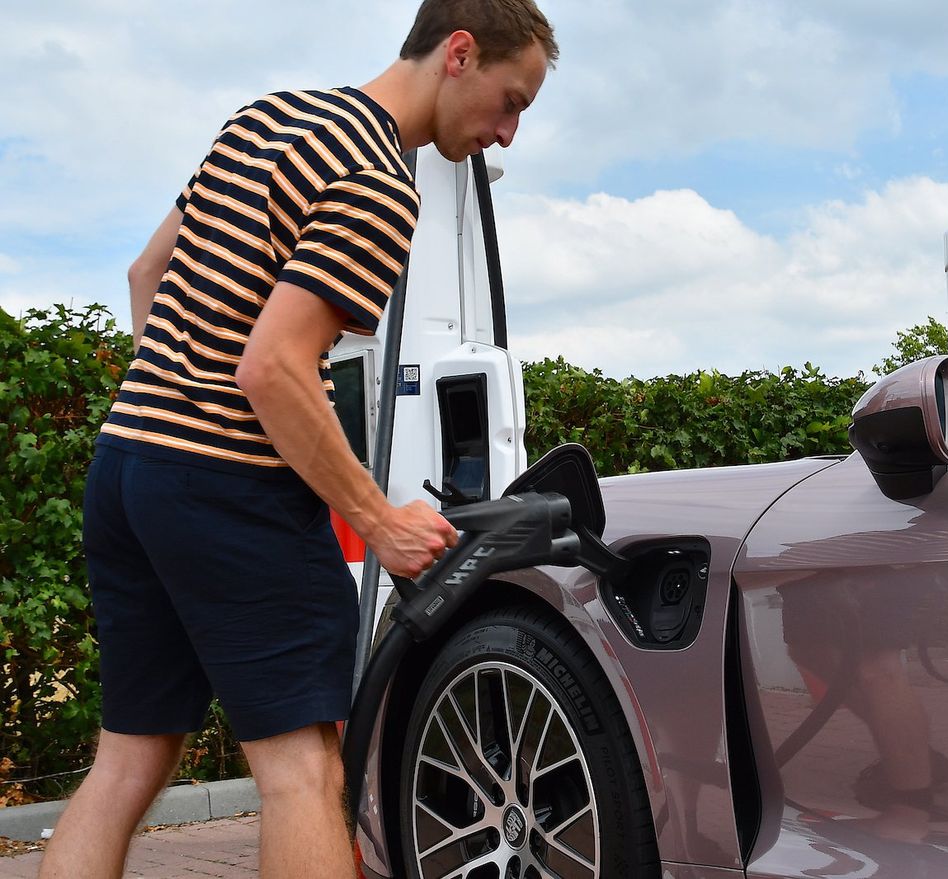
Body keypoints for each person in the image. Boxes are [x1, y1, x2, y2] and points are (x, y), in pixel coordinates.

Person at [38, 2, 558, 877]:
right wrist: (380, 519)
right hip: (228, 486)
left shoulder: (266, 118)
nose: (506, 133)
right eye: (513, 102)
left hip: (128, 464)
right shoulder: (379, 180)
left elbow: (147, 273)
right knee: (306, 771)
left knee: (128, 756)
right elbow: (272, 369)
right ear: (460, 54)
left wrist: (170, 406)